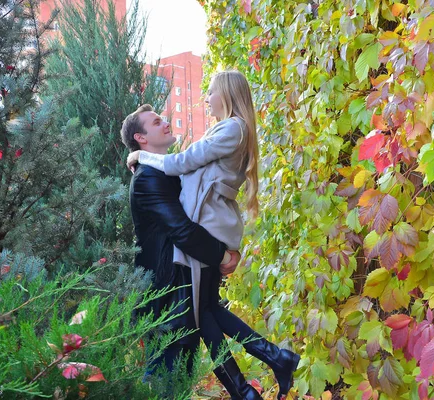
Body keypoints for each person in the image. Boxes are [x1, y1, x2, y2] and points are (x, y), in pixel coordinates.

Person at [127, 70, 300, 400]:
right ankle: (258, 376)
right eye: (156, 122)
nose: (206, 97)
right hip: (204, 234)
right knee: (205, 310)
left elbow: (184, 163)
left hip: (206, 230)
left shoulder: (232, 128)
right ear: (141, 136)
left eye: (211, 91)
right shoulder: (228, 129)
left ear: (228, 94)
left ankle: (257, 377)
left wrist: (141, 157)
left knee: (204, 311)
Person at [120, 104, 241, 385]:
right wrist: (222, 256)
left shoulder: (169, 172)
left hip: (182, 293)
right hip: (167, 300)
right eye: (156, 122)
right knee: (166, 382)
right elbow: (182, 230)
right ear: (141, 137)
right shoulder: (147, 178)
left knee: (180, 381)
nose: (165, 123)